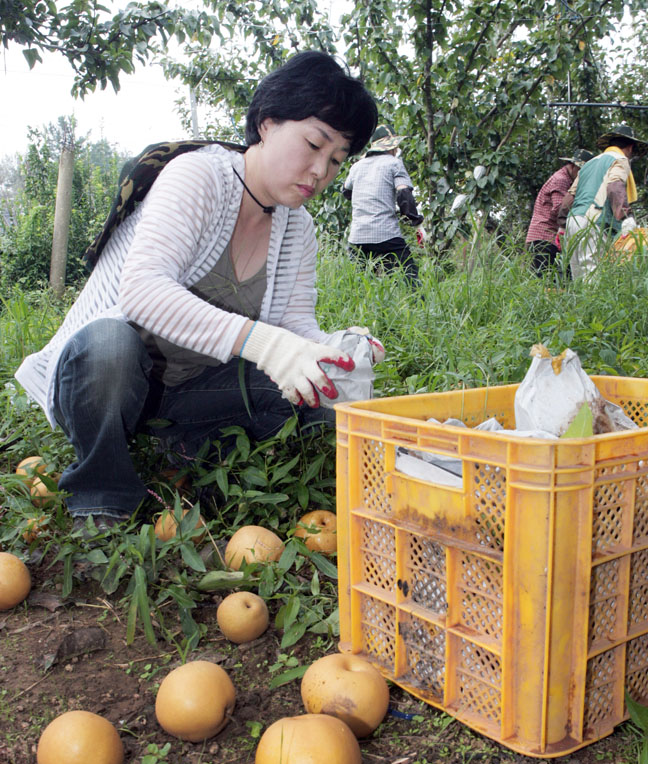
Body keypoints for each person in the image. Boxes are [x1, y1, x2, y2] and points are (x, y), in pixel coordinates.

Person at [15, 52, 382, 530]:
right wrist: (266, 344)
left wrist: (331, 351)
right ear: (267, 123)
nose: (320, 171)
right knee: (109, 346)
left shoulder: (298, 229)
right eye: (314, 144)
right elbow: (142, 293)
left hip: (190, 390)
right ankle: (101, 489)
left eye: (335, 160)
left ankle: (189, 446)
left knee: (310, 399)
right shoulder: (198, 176)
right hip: (107, 381)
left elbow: (295, 326)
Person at [558, 124, 648, 279]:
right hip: (593, 221)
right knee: (593, 274)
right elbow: (615, 186)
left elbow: (570, 197)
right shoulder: (620, 159)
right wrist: (626, 217)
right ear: (630, 147)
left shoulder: (589, 164)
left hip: (573, 221)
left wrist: (562, 226)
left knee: (578, 276)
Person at [343, 124, 423, 284]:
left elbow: (346, 192)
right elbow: (404, 194)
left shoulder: (356, 167)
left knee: (358, 286)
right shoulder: (394, 163)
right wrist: (415, 221)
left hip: (358, 237)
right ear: (392, 147)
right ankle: (416, 306)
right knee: (410, 280)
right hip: (387, 234)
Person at [525, 149, 593, 274]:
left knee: (560, 279)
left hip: (550, 238)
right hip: (544, 237)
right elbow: (559, 209)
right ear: (574, 166)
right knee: (549, 280)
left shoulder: (567, 179)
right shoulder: (561, 180)